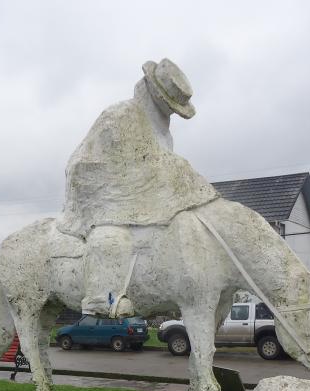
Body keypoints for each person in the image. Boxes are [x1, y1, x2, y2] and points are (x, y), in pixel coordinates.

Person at [57, 58, 218, 317]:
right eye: (169, 106)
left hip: (149, 205)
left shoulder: (164, 135)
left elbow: (162, 173)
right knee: (111, 238)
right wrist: (131, 182)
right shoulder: (118, 116)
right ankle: (100, 297)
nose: (170, 112)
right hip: (108, 198)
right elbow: (85, 163)